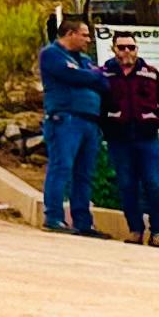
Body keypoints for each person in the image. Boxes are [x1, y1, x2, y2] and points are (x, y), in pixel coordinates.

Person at [100, 31, 159, 247]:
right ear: (114, 49)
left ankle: (158, 232)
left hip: (147, 139)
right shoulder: (104, 75)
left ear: (137, 49)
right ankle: (135, 230)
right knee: (127, 185)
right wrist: (107, 127)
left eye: (131, 47)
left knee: (153, 184)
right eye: (121, 47)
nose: (127, 51)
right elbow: (97, 104)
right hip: (119, 141)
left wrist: (154, 121)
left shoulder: (150, 73)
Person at [34, 15, 107, 237]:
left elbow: (103, 82)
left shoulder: (84, 59)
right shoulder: (51, 54)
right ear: (70, 34)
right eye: (84, 35)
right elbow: (71, 75)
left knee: (84, 173)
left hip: (90, 121)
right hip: (65, 119)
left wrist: (89, 76)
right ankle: (54, 217)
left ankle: (83, 222)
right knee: (61, 167)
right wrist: (91, 76)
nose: (88, 40)